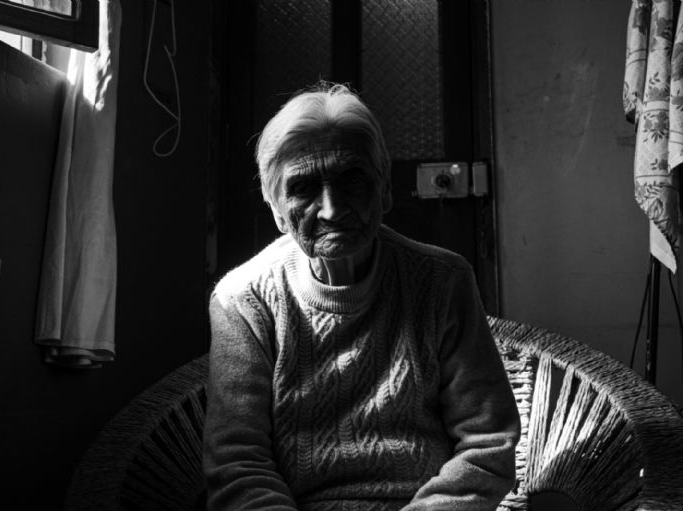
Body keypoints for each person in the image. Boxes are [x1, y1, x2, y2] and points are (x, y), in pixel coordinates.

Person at [203, 83, 521, 511]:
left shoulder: (443, 281)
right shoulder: (243, 300)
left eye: (352, 180)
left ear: (385, 190)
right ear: (277, 210)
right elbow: (237, 466)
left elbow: (488, 442)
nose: (332, 209)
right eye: (302, 188)